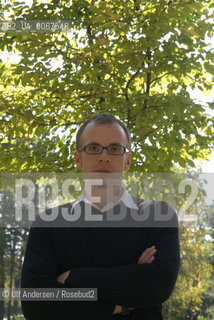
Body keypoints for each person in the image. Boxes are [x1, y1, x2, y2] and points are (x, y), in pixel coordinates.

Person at [21, 113, 180, 320]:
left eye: (115, 149)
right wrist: (121, 297)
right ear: (78, 158)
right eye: (93, 148)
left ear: (127, 160)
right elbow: (36, 304)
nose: (104, 156)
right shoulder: (48, 223)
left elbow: (159, 285)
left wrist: (72, 278)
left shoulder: (159, 215)